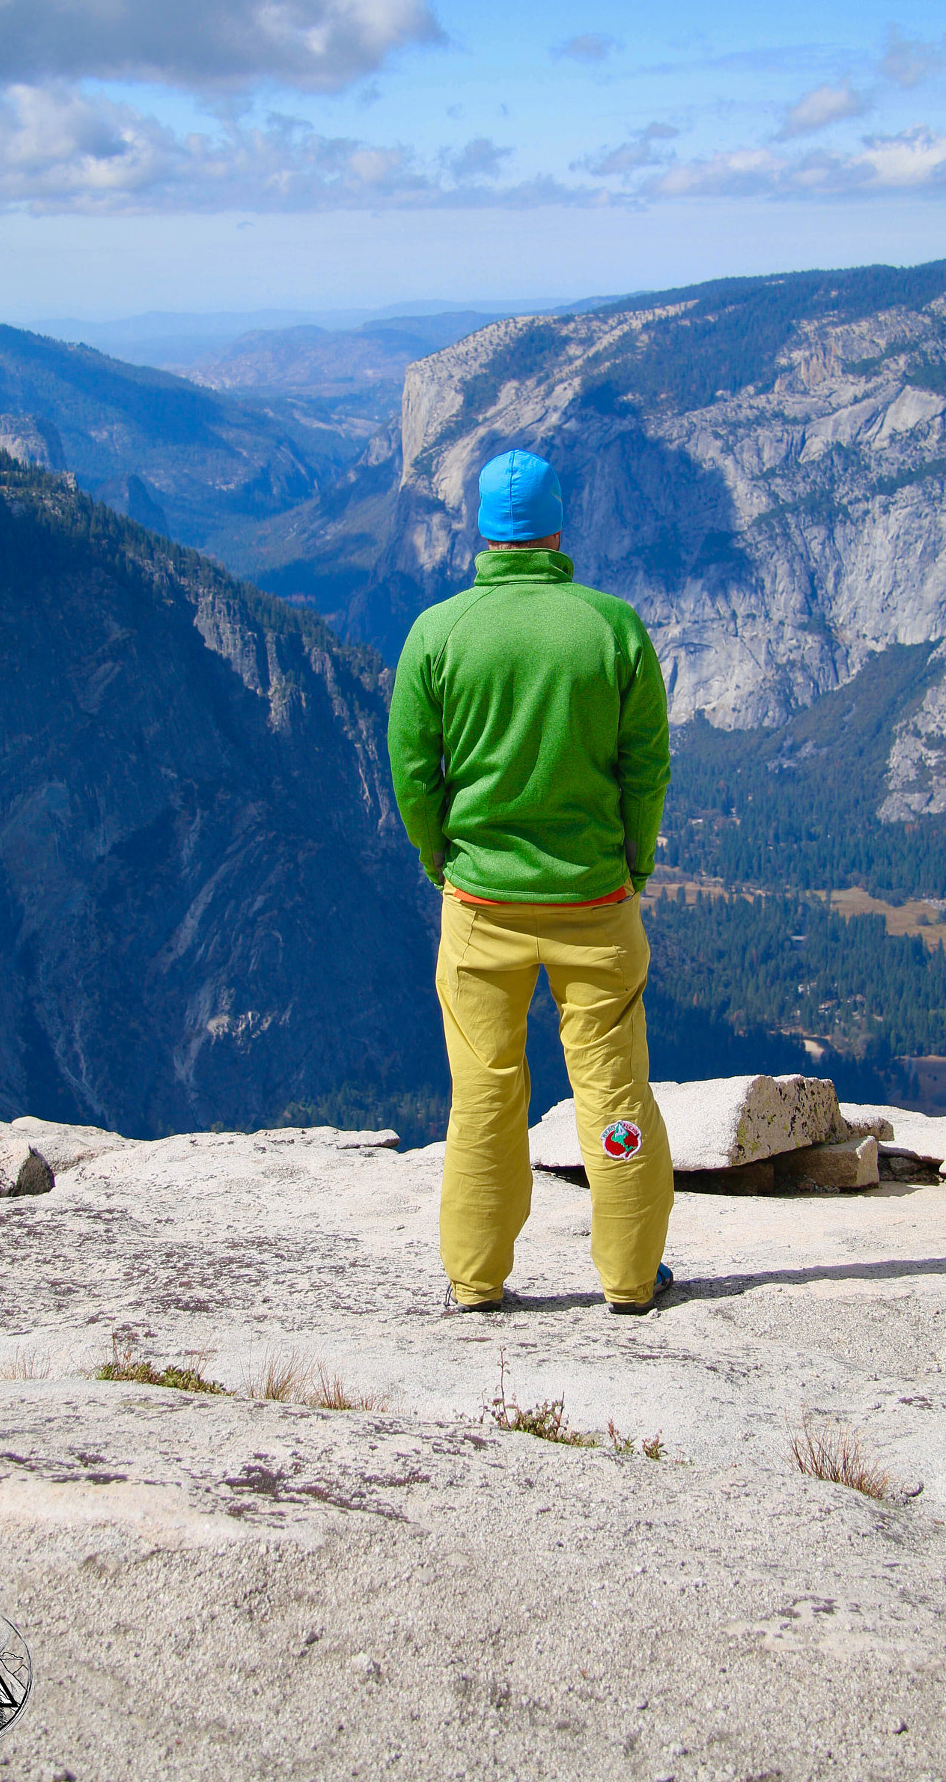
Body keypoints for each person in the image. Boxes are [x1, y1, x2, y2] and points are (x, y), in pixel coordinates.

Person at [387, 446, 675, 1315]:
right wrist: (635, 860)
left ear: (482, 530)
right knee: (612, 1090)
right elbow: (646, 768)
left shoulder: (437, 632)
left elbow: (412, 772)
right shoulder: (611, 626)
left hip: (479, 908)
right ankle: (628, 1277)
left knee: (483, 1092)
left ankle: (474, 1279)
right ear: (555, 527)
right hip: (594, 903)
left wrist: (441, 860)